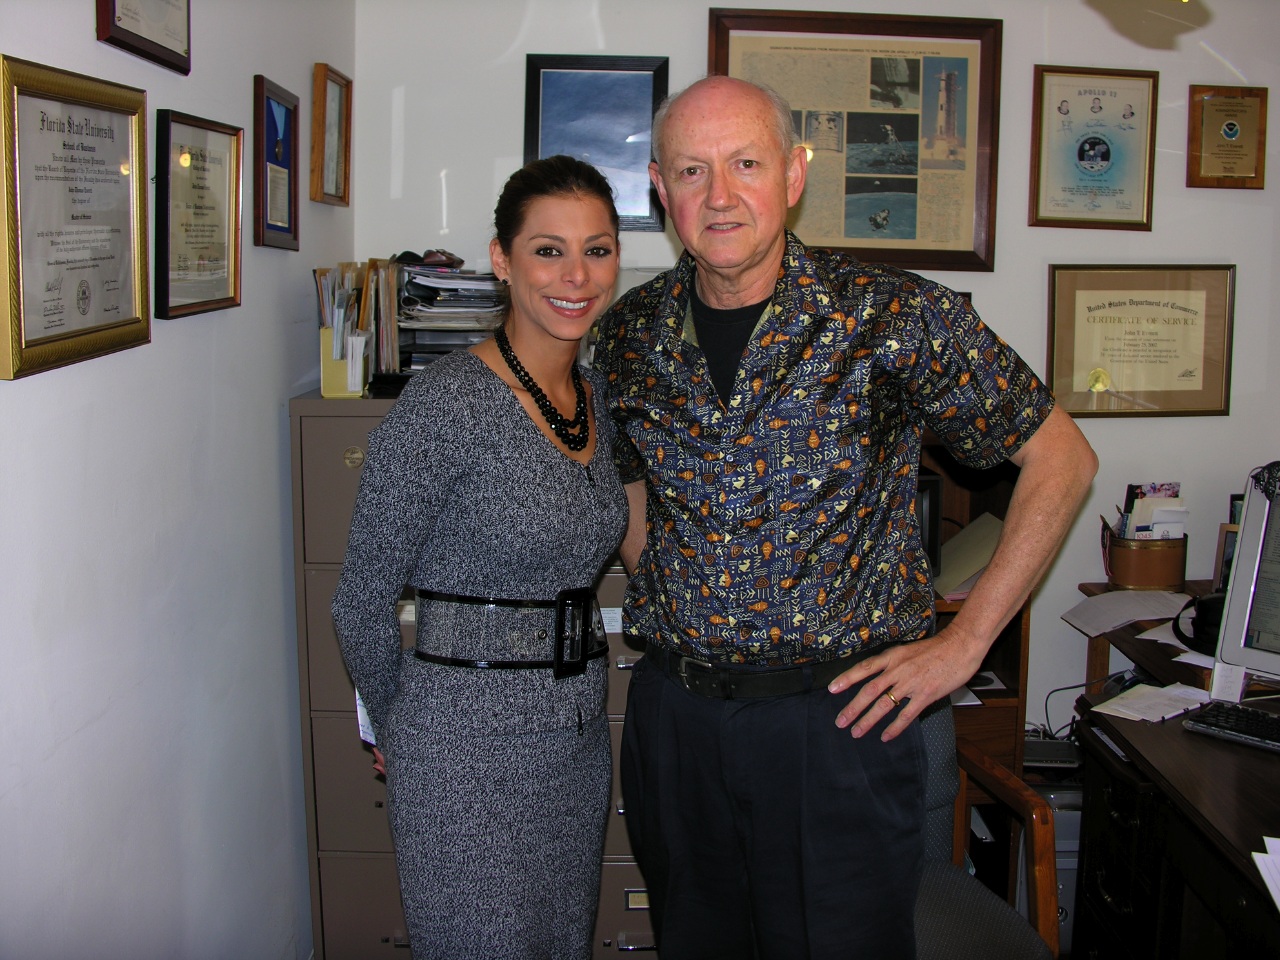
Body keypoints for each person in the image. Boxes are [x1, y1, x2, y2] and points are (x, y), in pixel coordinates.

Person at [593, 76, 1098, 959]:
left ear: (793, 175)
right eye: (692, 170)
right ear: (660, 189)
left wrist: (966, 644)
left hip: (838, 727)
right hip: (679, 725)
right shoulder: (628, 334)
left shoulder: (890, 314)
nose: (720, 195)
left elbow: (1062, 458)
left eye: (746, 164)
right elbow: (631, 482)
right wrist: (686, 591)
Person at [332, 155, 628, 960]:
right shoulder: (446, 404)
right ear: (502, 259)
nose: (576, 276)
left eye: (597, 250)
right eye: (548, 250)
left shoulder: (595, 398)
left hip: (575, 739)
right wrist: (397, 728)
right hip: (464, 746)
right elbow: (359, 599)